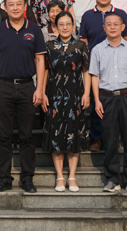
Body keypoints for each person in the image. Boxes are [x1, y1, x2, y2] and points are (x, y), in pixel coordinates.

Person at [0, 0, 47, 194]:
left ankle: (27, 178)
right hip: (2, 87)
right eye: (10, 4)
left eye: (19, 4)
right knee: (3, 136)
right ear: (4, 7)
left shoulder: (34, 29)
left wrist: (40, 88)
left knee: (26, 136)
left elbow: (40, 60)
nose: (15, 7)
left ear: (25, 7)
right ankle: (4, 179)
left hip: (27, 87)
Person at [90, 13, 127, 195]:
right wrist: (97, 100)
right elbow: (95, 76)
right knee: (110, 140)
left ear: (123, 27)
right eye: (109, 24)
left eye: (116, 24)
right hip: (106, 98)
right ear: (104, 28)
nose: (112, 27)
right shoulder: (97, 50)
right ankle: (112, 179)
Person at [79, 0, 127, 152]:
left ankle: (117, 137)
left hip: (118, 65)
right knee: (97, 102)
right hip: (96, 66)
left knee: (119, 104)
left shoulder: (120, 14)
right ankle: (97, 138)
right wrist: (86, 63)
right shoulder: (87, 16)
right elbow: (84, 41)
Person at [41, 11, 90, 193]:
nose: (65, 27)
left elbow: (86, 71)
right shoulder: (49, 46)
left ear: (73, 25)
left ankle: (72, 176)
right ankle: (60, 176)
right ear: (56, 27)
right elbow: (45, 71)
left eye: (68, 23)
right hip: (54, 96)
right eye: (61, 24)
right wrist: (42, 93)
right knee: (56, 136)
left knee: (74, 134)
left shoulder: (81, 46)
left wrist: (87, 94)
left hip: (75, 96)